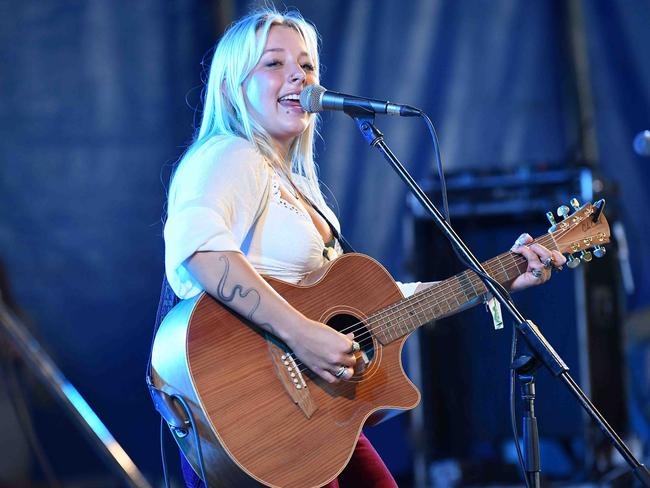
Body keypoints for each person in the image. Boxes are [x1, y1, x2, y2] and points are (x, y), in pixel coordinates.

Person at [160, 7, 566, 487]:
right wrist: (302, 335)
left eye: (307, 65)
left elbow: (386, 303)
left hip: (312, 412)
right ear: (232, 86)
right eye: (273, 63)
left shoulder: (295, 186)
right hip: (257, 413)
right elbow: (199, 250)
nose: (298, 74)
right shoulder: (231, 154)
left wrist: (497, 278)